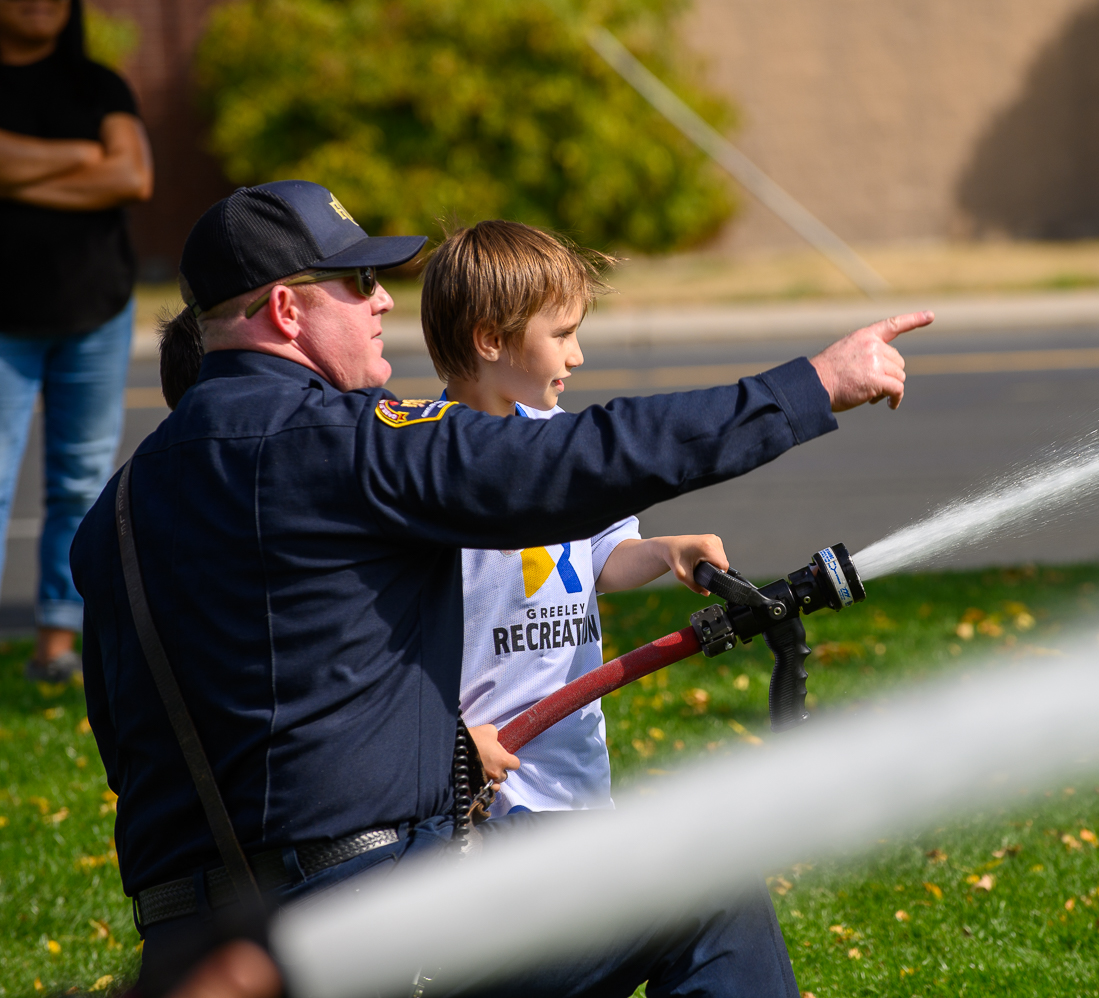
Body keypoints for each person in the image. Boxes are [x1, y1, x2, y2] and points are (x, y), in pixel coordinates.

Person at [71, 178, 929, 994]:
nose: (381, 302)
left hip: (199, 957)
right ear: (287, 311)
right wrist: (812, 387)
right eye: (359, 280)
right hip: (376, 922)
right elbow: (579, 457)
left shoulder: (113, 514)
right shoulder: (343, 445)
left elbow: (142, 743)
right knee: (704, 884)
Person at [421, 220, 731, 815]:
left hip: (577, 773)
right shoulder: (429, 468)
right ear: (490, 339)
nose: (577, 354)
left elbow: (600, 560)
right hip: (489, 787)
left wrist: (667, 551)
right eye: (562, 334)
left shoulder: (563, 444)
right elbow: (397, 646)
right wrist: (453, 742)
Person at [0, 0, 152, 681]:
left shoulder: (100, 85)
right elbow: (108, 171)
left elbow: (133, 176)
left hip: (96, 311)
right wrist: (86, 160)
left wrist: (18, 172)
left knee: (81, 481)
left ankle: (56, 648)